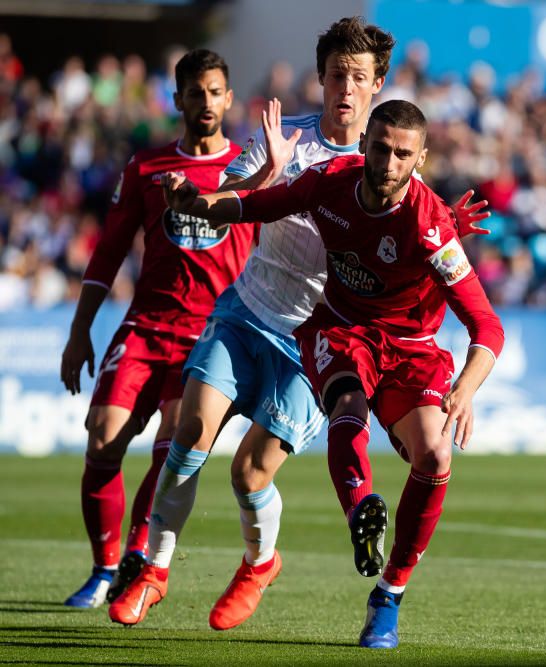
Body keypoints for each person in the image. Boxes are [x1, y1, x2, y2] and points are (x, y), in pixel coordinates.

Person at [109, 17, 488, 631]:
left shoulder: (396, 167)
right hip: (248, 310)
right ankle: (153, 570)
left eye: (358, 77)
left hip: (312, 337)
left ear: (377, 84)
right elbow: (228, 200)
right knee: (187, 441)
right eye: (336, 74)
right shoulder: (284, 139)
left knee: (250, 472)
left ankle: (260, 564)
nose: (345, 87)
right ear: (320, 78)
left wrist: (450, 231)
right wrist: (265, 172)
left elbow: (421, 242)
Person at [60, 49, 251, 608]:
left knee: (170, 450)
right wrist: (79, 332)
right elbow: (108, 254)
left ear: (229, 98)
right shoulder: (146, 169)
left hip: (211, 338)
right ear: (179, 100)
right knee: (101, 439)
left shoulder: (248, 172)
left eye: (217, 91)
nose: (208, 102)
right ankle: (104, 567)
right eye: (197, 92)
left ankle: (139, 561)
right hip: (146, 326)